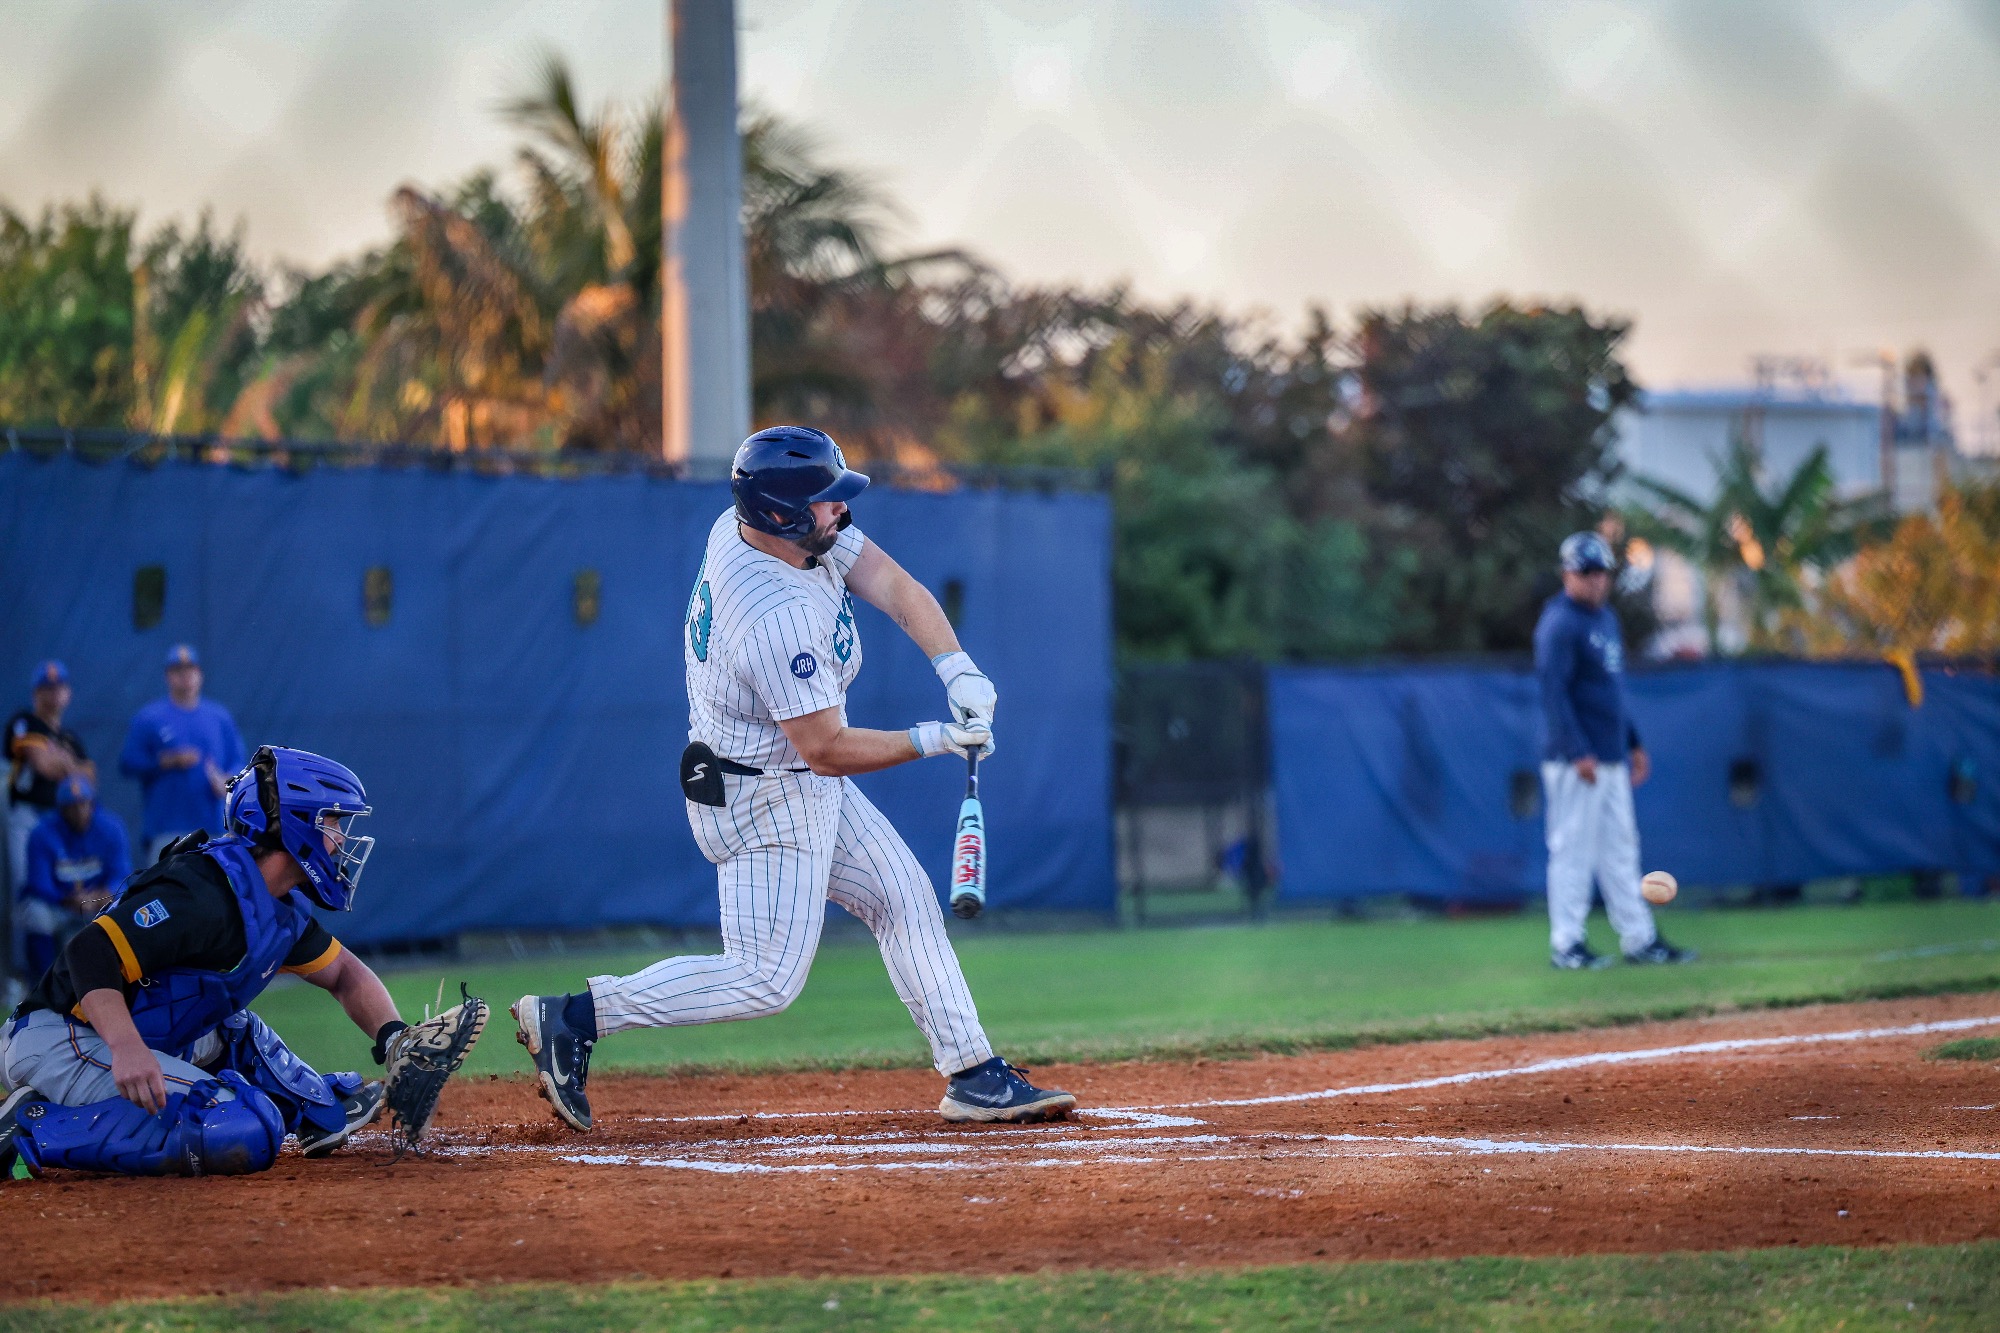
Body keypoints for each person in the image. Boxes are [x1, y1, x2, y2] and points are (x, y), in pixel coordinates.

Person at [513, 426, 1075, 1129]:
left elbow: (896, 586)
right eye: (824, 501)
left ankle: (972, 1072)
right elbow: (826, 748)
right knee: (765, 978)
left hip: (781, 776)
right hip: (762, 794)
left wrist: (955, 666)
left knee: (901, 894)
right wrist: (935, 738)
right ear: (780, 513)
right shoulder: (771, 613)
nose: (840, 510)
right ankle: (574, 1016)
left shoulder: (773, 528)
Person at [0, 746, 406, 1179]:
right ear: (295, 824)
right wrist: (126, 1048)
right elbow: (89, 951)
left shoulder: (277, 907)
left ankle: (313, 1108)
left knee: (234, 1028)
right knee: (245, 1128)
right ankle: (30, 1126)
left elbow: (345, 974)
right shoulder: (202, 891)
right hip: (61, 1039)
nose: (341, 837)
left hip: (118, 1034)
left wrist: (396, 1037)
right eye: (332, 821)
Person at [1536, 531, 1695, 970]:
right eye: (1586, 572)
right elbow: (1555, 694)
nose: (1595, 581)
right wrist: (1578, 751)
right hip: (1577, 761)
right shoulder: (1560, 623)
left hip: (1609, 756)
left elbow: (1611, 694)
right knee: (1571, 851)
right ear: (1568, 574)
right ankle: (1566, 944)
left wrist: (1633, 742)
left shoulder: (1605, 620)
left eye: (1601, 572)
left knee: (1621, 849)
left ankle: (1639, 939)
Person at [119, 645, 246, 865]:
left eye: (190, 669)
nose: (185, 675)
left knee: (213, 895)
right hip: (167, 829)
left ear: (200, 674)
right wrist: (163, 761)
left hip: (212, 828)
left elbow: (238, 762)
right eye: (178, 670)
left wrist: (228, 780)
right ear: (168, 676)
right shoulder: (149, 717)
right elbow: (128, 762)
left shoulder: (219, 717)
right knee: (166, 894)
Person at [20, 776, 131, 977]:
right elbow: (38, 883)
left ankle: (118, 980)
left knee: (126, 906)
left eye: (84, 804)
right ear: (61, 809)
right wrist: (68, 899)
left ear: (92, 803)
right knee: (35, 913)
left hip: (98, 903)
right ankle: (40, 982)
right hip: (61, 904)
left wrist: (101, 895)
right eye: (72, 806)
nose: (80, 811)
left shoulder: (111, 827)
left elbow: (121, 875)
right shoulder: (43, 832)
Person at [7, 661, 90, 903]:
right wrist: (67, 762)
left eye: (59, 687)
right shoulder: (23, 722)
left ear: (68, 693)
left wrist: (62, 759)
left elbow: (90, 782)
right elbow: (46, 768)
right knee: (27, 890)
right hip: (26, 817)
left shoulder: (69, 737)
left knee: (65, 889)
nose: (54, 693)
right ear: (35, 693)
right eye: (47, 688)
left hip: (61, 820)